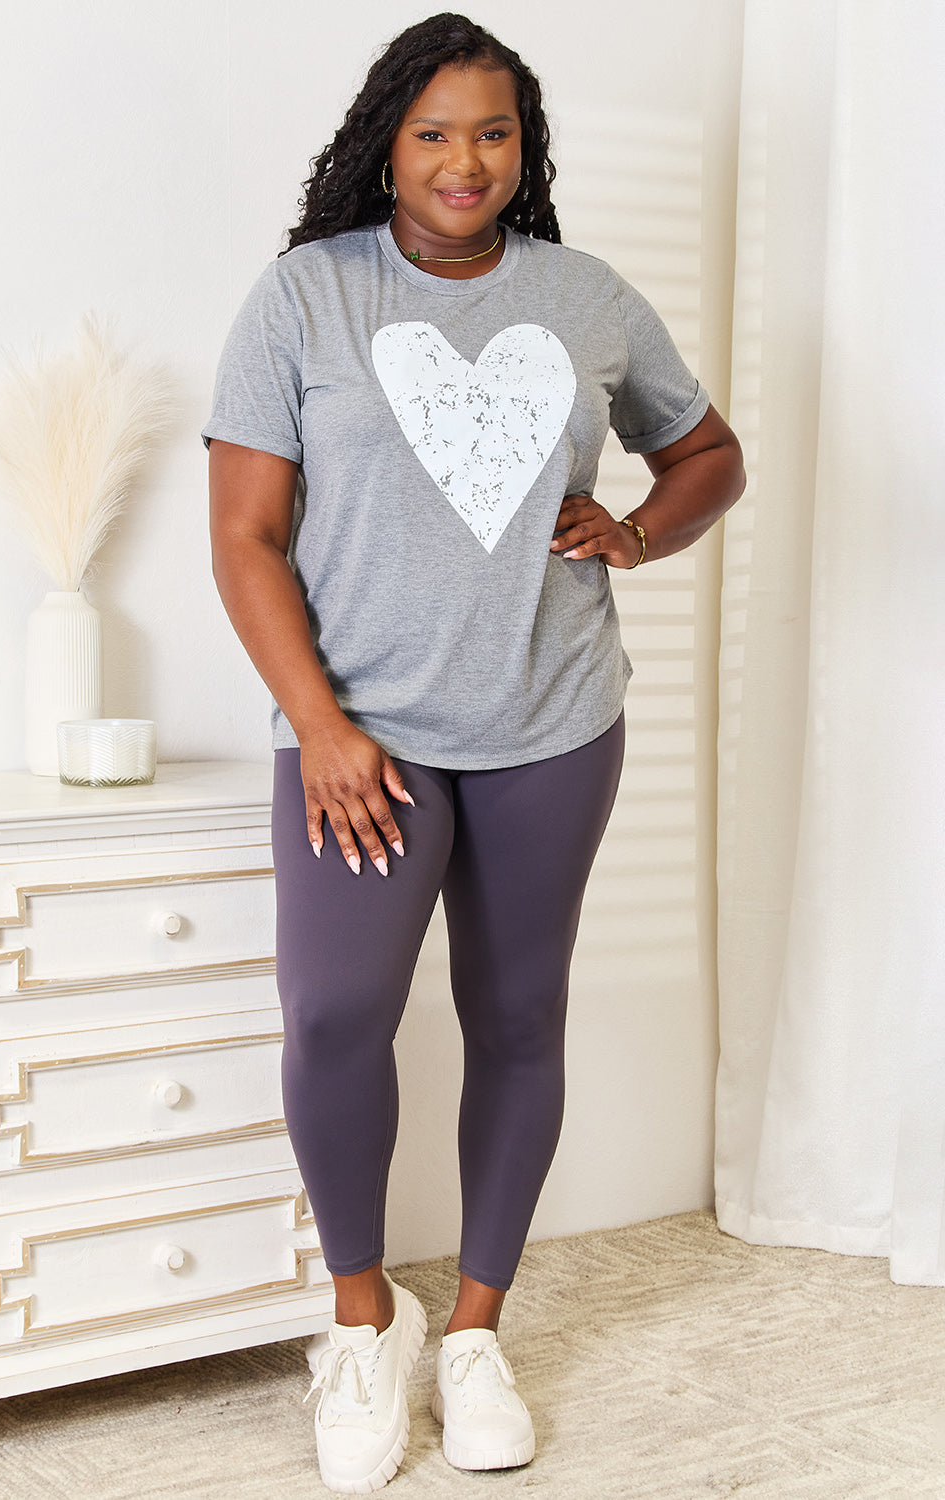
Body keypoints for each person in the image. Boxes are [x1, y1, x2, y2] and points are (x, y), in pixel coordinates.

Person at [204, 12, 744, 1493]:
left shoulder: (588, 299)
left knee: (517, 1018)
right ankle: (365, 1323)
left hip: (549, 718)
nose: (465, 161)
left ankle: (481, 1335)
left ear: (528, 147)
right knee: (333, 1015)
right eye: (435, 131)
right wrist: (318, 726)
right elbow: (244, 539)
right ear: (388, 139)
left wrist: (634, 529)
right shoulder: (306, 299)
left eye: (494, 133)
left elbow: (709, 452)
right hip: (360, 743)